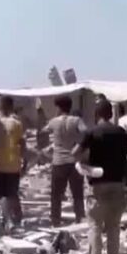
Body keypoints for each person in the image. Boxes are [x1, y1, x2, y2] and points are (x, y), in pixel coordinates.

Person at [73, 99, 127, 254]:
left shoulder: (91, 132)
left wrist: (83, 164)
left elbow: (75, 153)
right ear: (111, 114)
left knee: (95, 226)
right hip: (117, 183)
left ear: (96, 114)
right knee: (114, 228)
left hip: (97, 184)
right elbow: (124, 156)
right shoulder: (122, 133)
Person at [43, 95, 87, 226]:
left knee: (56, 194)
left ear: (58, 107)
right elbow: (86, 132)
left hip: (59, 162)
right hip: (74, 161)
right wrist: (79, 145)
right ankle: (80, 217)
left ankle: (55, 220)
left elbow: (44, 131)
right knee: (77, 193)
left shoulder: (53, 121)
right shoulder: (77, 120)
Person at [0, 96, 27, 231]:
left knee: (3, 195)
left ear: (0, 107)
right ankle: (17, 217)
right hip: (13, 164)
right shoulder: (17, 124)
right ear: (11, 107)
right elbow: (22, 144)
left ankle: (9, 221)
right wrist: (25, 163)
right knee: (12, 192)